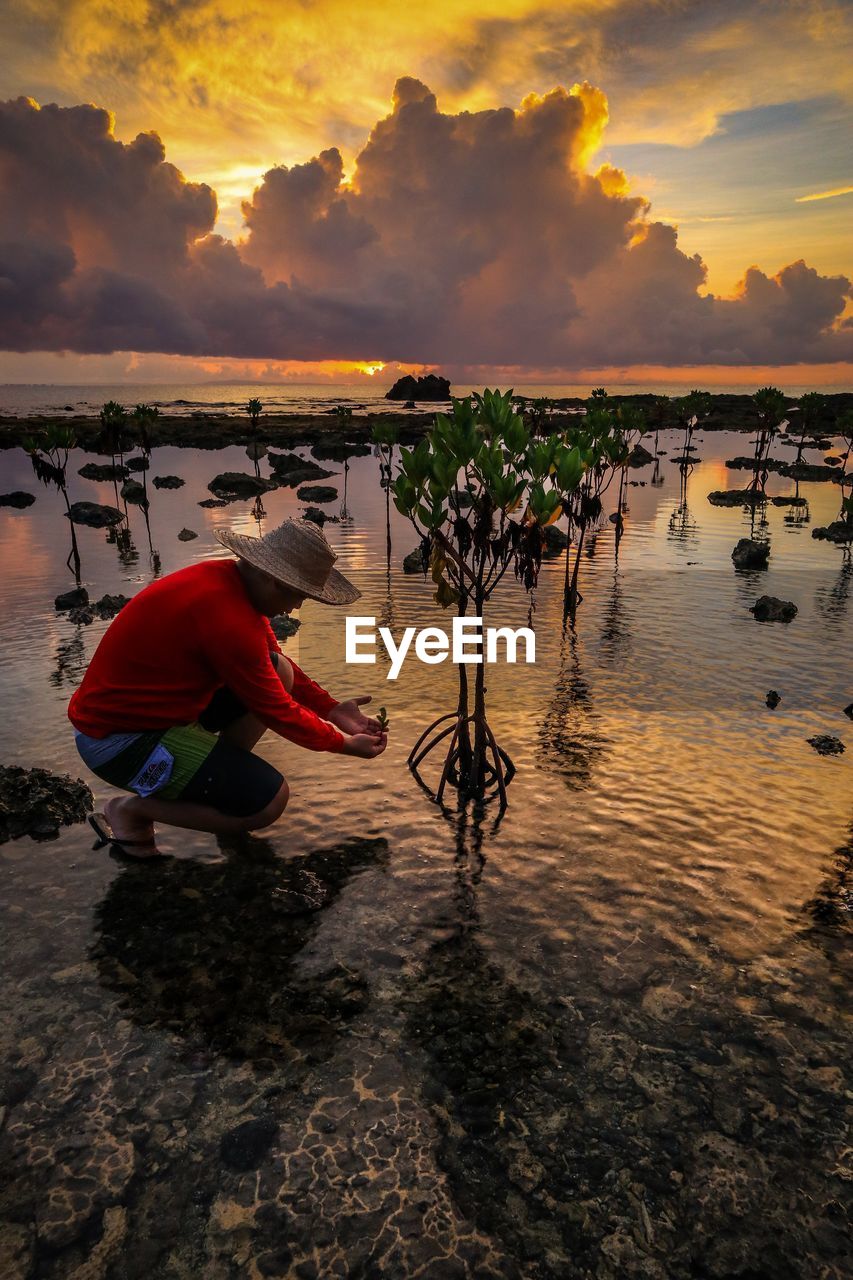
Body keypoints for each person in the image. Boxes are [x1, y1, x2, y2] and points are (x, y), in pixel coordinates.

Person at [69, 518, 387, 859]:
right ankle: (132, 811)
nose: (297, 607)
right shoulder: (227, 616)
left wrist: (332, 709)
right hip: (119, 741)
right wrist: (343, 744)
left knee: (279, 672)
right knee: (268, 802)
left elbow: (271, 665)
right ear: (269, 576)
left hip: (156, 714)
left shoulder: (229, 582)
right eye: (297, 594)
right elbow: (276, 710)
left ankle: (220, 791)